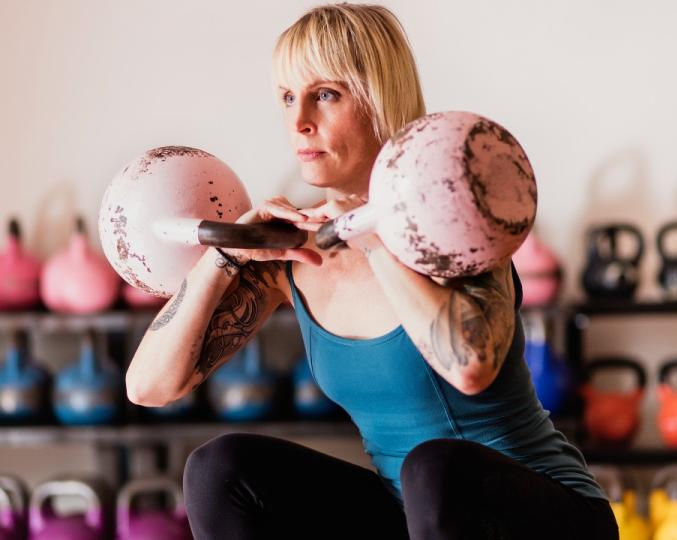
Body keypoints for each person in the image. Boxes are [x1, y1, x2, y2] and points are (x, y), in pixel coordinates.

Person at [125, 4, 618, 539]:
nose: (299, 122)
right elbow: (148, 387)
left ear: (380, 99)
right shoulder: (293, 258)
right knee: (221, 469)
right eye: (288, 97)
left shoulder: (455, 216)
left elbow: (469, 367)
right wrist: (229, 255)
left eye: (326, 95)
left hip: (546, 517)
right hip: (410, 518)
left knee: (435, 468)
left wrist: (374, 238)